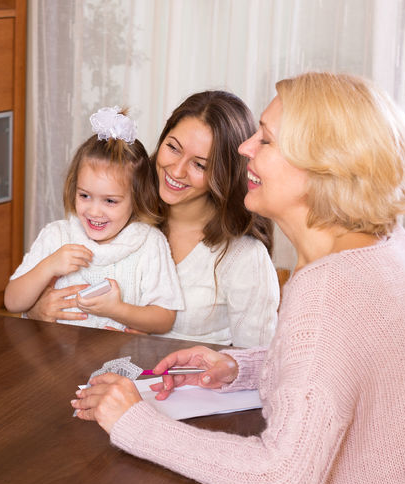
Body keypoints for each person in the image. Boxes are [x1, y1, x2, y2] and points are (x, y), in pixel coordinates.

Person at [72, 72, 405, 484]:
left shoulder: (327, 295)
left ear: (321, 166)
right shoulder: (379, 245)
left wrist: (134, 422)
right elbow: (342, 368)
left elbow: (283, 481)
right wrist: (239, 367)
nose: (246, 148)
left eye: (265, 140)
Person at [28, 91, 279, 348]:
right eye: (173, 148)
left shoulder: (243, 257)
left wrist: (151, 345)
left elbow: (258, 363)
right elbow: (48, 290)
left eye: (200, 165)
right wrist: (37, 311)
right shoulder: (118, 214)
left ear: (224, 174)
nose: (177, 171)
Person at [4, 107, 183, 332]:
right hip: (55, 359)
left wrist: (115, 309)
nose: (94, 212)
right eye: (85, 196)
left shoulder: (149, 243)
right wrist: (48, 266)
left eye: (110, 201)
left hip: (117, 363)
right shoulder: (57, 235)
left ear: (137, 199)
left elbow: (164, 318)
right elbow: (12, 302)